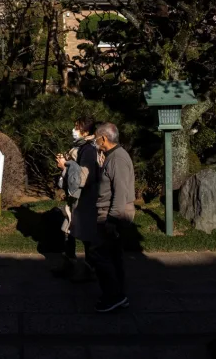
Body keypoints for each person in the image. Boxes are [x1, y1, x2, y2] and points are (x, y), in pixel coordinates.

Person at [90, 122, 135, 312]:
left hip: (112, 214)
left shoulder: (117, 159)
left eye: (96, 138)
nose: (94, 141)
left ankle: (114, 295)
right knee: (114, 256)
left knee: (99, 255)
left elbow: (121, 192)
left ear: (104, 139)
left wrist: (112, 220)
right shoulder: (112, 156)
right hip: (109, 212)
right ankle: (118, 294)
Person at [54, 115, 98, 279]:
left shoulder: (88, 150)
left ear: (86, 131)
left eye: (77, 128)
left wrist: (64, 165)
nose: (74, 130)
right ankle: (69, 265)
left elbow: (82, 178)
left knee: (84, 233)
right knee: (69, 230)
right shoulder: (82, 147)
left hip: (83, 199)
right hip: (77, 198)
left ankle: (89, 269)